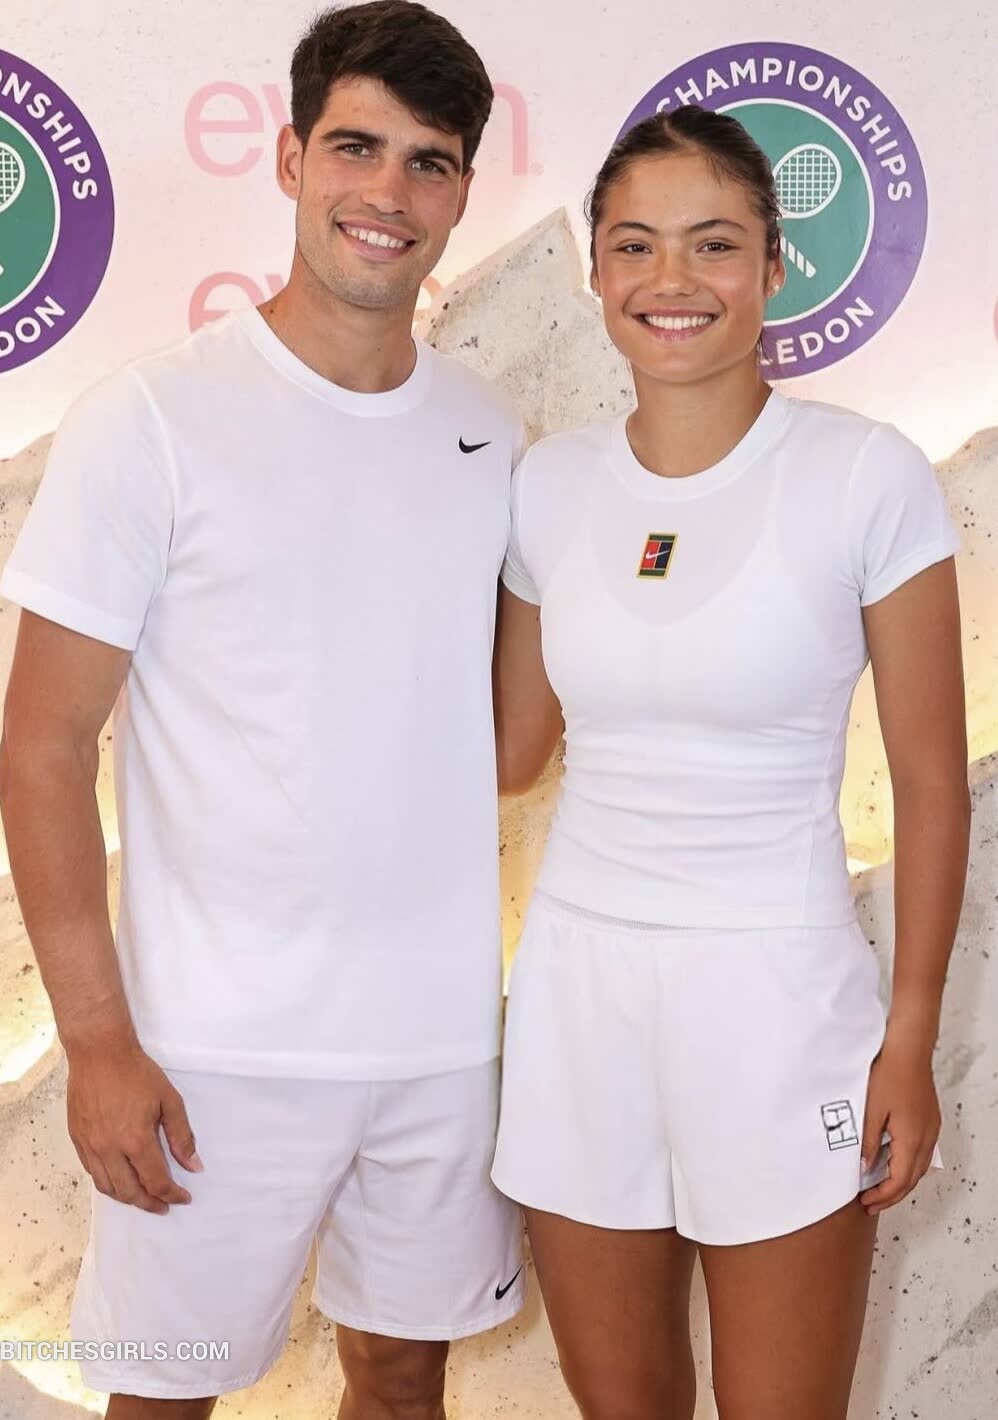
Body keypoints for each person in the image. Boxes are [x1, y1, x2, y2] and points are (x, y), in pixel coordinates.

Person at [0, 4, 527, 1416]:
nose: (388, 191)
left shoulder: (490, 433)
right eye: (356, 147)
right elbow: (41, 747)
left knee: (402, 1385)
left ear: (461, 193)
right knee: (163, 1399)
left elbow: (480, 731)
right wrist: (98, 1043)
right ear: (291, 159)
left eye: (428, 162)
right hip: (209, 1055)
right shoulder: (152, 419)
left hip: (436, 1045)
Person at [490, 104, 969, 1420]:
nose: (671, 279)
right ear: (596, 271)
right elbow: (510, 750)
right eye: (633, 245)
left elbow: (931, 786)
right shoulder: (547, 485)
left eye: (712, 244)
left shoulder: (865, 475)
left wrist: (909, 1037)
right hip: (578, 999)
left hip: (779, 1003)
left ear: (772, 267)